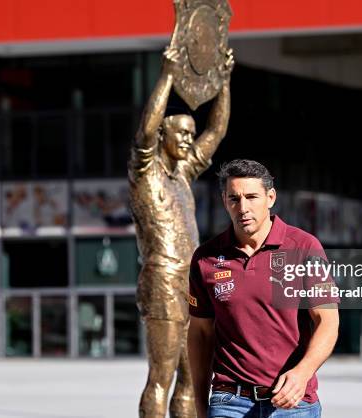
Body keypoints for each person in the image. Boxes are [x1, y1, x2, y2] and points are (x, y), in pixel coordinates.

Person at [187, 160, 340, 418]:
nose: (243, 208)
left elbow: (328, 321)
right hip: (229, 401)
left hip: (293, 403)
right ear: (224, 201)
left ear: (270, 197)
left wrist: (302, 373)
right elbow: (200, 334)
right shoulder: (206, 258)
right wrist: (201, 406)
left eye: (251, 197)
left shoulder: (303, 247)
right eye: (234, 198)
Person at [128, 46, 234, 418]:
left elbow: (217, 130)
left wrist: (223, 81)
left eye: (191, 134)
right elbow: (145, 129)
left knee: (195, 378)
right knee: (162, 376)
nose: (189, 141)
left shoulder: (183, 175)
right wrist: (169, 75)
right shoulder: (146, 172)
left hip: (192, 283)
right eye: (182, 134)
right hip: (162, 280)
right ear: (164, 136)